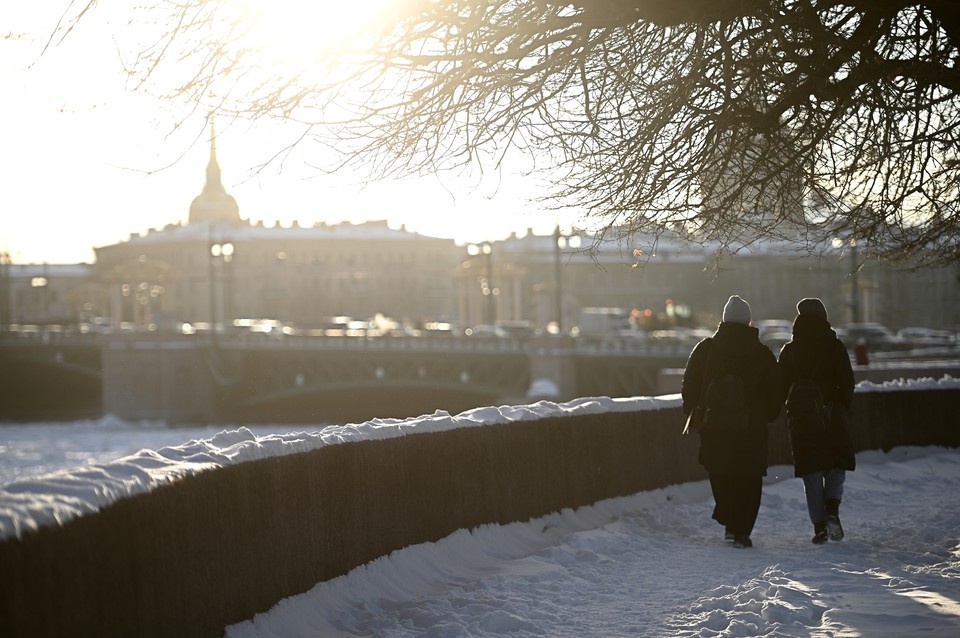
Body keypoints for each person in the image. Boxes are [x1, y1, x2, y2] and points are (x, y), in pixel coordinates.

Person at [682, 295, 782, 548]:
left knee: (720, 471)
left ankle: (728, 517)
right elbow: (776, 388)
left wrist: (691, 410)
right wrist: (769, 414)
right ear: (749, 321)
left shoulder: (706, 349)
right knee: (749, 478)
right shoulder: (761, 353)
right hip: (751, 427)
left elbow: (690, 383)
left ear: (724, 320)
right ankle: (741, 530)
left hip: (715, 425)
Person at [778, 298, 856, 544]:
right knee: (835, 464)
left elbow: (780, 386)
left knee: (811, 472)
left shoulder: (789, 350)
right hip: (832, 413)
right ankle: (832, 509)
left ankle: (819, 528)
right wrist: (840, 406)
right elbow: (847, 382)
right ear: (824, 318)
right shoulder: (835, 347)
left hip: (802, 418)